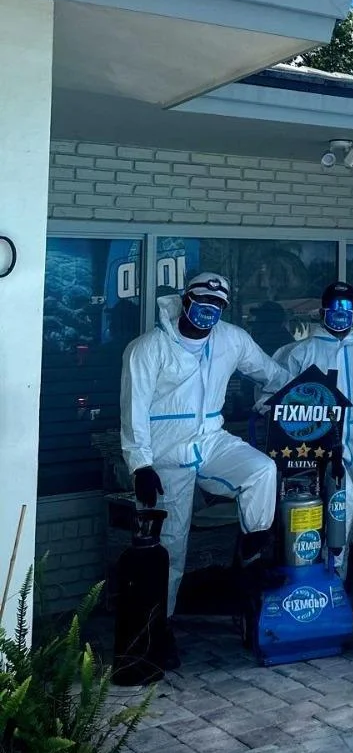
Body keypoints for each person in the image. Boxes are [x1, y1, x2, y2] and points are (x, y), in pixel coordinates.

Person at [119, 272, 291, 639]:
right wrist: (141, 465)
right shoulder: (148, 348)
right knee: (170, 545)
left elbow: (272, 374)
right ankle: (158, 628)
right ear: (186, 300)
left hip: (211, 439)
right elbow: (133, 410)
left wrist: (289, 397)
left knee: (261, 471)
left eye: (217, 304)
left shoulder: (232, 339)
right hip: (166, 452)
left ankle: (251, 560)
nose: (209, 309)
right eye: (202, 301)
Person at [271, 281, 353, 573]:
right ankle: (321, 575)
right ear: (322, 311)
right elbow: (275, 393)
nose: (340, 313)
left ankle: (332, 578)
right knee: (332, 505)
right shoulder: (301, 352)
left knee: (348, 510)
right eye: (334, 307)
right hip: (312, 441)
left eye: (347, 307)